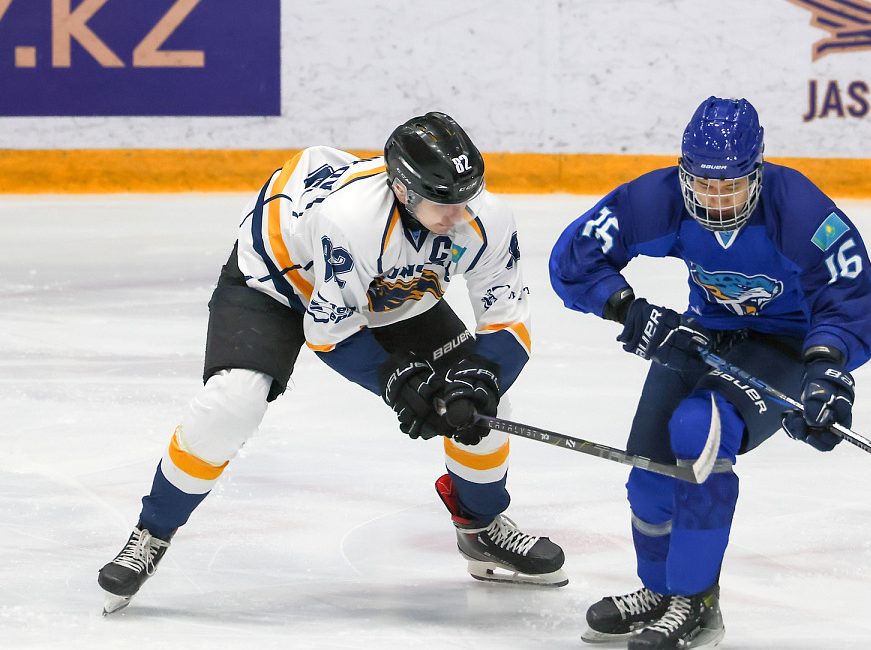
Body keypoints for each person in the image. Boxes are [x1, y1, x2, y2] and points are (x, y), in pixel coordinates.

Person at [98, 112, 566, 615]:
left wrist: (479, 379)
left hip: (390, 290)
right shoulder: (353, 221)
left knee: (486, 407)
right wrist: (399, 382)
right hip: (278, 283)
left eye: (466, 196)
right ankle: (153, 531)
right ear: (403, 191)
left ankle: (481, 528)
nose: (459, 213)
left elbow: (507, 318)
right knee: (232, 402)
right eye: (442, 200)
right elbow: (330, 330)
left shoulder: (483, 217)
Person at [547, 96, 871, 650]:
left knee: (699, 428)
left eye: (731, 186)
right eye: (702, 184)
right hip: (703, 334)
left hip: (784, 347)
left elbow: (846, 297)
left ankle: (697, 606)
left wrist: (826, 369)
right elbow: (574, 260)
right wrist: (629, 311)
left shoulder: (800, 210)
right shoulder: (660, 198)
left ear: (757, 173)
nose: (716, 200)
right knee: (648, 469)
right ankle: (661, 593)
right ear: (684, 173)